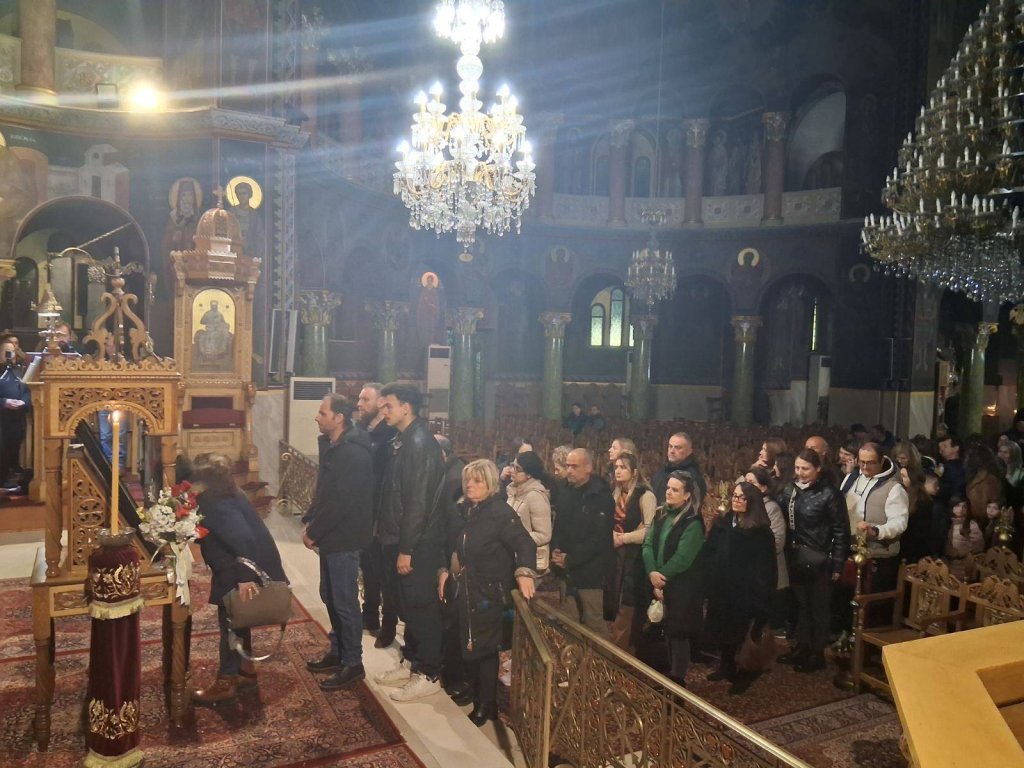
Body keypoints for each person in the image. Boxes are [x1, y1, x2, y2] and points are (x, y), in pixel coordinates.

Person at [438, 459, 537, 726]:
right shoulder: (471, 510)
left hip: (489, 593)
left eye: (477, 480)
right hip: (470, 589)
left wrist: (524, 572)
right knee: (471, 643)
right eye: (467, 480)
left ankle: (487, 704)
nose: (469, 485)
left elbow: (525, 543)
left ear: (491, 484)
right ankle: (475, 692)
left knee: (485, 650)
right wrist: (446, 570)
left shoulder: (499, 512)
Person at [191, 453, 287, 705]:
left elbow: (243, 539)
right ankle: (246, 671)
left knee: (230, 623)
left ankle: (226, 681)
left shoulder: (217, 503)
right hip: (236, 566)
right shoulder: (229, 493)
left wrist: (245, 578)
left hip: (238, 570)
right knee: (238, 620)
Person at [374, 383, 447, 702]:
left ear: (406, 407)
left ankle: (429, 673)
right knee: (407, 606)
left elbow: (418, 502)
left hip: (417, 543)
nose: (383, 412)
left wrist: (406, 549)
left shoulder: (419, 443)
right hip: (400, 537)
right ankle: (412, 661)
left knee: (421, 607)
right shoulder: (405, 439)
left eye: (388, 406)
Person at [302, 394, 374, 691]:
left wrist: (314, 531)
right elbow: (325, 490)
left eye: (322, 412)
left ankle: (353, 662)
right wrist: (311, 517)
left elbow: (342, 501)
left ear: (339, 417)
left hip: (345, 536)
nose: (317, 417)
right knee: (329, 595)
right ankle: (338, 651)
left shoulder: (353, 453)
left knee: (344, 602)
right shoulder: (334, 445)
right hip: (332, 535)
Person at [778, 448, 848, 673]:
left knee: (818, 608)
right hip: (796, 555)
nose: (800, 473)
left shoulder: (830, 494)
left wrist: (837, 564)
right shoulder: (791, 489)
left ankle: (817, 654)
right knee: (800, 606)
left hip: (820, 558)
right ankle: (802, 647)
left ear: (818, 468)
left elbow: (840, 531)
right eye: (797, 468)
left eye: (805, 469)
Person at [704, 481, 776, 694]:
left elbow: (766, 568)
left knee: (743, 636)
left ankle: (746, 673)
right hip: (723, 587)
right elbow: (711, 550)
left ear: (751, 502)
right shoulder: (724, 522)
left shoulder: (760, 532)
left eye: (741, 497)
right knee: (723, 631)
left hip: (746, 592)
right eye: (734, 496)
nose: (736, 500)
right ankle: (726, 666)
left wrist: (761, 596)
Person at [641, 470, 705, 687]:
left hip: (681, 586)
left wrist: (661, 578)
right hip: (658, 581)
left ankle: (678, 681)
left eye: (675, 490)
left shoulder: (693, 522)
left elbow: (683, 558)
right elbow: (648, 544)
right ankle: (670, 675)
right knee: (666, 630)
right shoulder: (661, 513)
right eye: (668, 488)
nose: (668, 492)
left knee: (678, 633)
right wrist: (652, 572)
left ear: (687, 495)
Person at [550, 448, 615, 637]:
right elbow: (559, 526)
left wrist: (570, 558)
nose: (569, 470)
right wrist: (555, 550)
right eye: (568, 466)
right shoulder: (565, 490)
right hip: (567, 569)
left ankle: (601, 657)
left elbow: (599, 539)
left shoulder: (600, 496)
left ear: (588, 468)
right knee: (569, 622)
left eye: (574, 466)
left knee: (594, 625)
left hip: (590, 572)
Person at [355, 382, 400, 647]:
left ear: (380, 405)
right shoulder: (363, 431)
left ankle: (389, 626)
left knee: (385, 575)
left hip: (382, 516)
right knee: (368, 569)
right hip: (365, 514)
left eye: (365, 400)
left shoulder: (389, 436)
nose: (359, 404)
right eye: (359, 399)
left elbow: (386, 481)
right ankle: (369, 615)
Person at [846, 443, 909, 615]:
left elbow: (900, 522)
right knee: (849, 600)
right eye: (862, 462)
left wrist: (877, 530)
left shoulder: (893, 487)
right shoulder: (853, 478)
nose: (865, 467)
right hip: (852, 550)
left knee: (872, 607)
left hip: (879, 555)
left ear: (881, 461)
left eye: (870, 462)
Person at [608, 452, 656, 650]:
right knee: (615, 598)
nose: (618, 471)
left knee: (628, 602)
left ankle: (622, 650)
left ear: (634, 472)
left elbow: (649, 530)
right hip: (617, 554)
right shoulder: (616, 493)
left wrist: (623, 538)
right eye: (616, 467)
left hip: (635, 556)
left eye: (623, 467)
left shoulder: (645, 495)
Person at [435, 434, 469, 703]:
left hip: (462, 566)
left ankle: (458, 678)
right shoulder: (450, 474)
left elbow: (453, 528)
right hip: (450, 560)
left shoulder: (455, 479)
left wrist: (447, 563)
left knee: (457, 623)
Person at [744, 465, 788, 636]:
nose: (746, 486)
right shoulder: (743, 506)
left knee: (766, 627)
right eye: (745, 481)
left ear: (763, 487)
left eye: (751, 482)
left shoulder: (771, 508)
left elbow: (777, 542)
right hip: (749, 574)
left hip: (767, 573)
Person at [505, 451, 554, 573]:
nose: (512, 470)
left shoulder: (535, 496)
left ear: (529, 474)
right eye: (512, 466)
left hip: (530, 560)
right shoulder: (513, 491)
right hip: (513, 555)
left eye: (517, 469)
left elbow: (544, 535)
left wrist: (516, 538)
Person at [0, 337, 31, 492]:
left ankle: (8, 477)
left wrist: (23, 402)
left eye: (12, 352)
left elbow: (27, 391)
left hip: (16, 418)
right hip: (2, 418)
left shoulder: (20, 371)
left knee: (13, 448)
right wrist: (4, 402)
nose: (9, 355)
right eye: (6, 352)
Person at [652, 432, 706, 505]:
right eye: (670, 446)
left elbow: (694, 507)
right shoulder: (661, 471)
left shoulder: (693, 477)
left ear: (689, 451)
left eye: (678, 447)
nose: (672, 451)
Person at [945, 496, 983, 579]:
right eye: (957, 506)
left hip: (963, 567)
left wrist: (964, 553)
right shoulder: (946, 522)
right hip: (947, 565)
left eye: (964, 506)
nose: (961, 509)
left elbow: (978, 548)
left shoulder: (972, 525)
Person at [965, 445, 1004, 525]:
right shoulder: (974, 478)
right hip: (975, 524)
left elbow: (992, 508)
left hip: (984, 525)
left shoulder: (991, 480)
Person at [937, 435, 966, 502]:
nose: (942, 449)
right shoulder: (943, 465)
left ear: (956, 448)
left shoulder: (952, 467)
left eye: (945, 446)